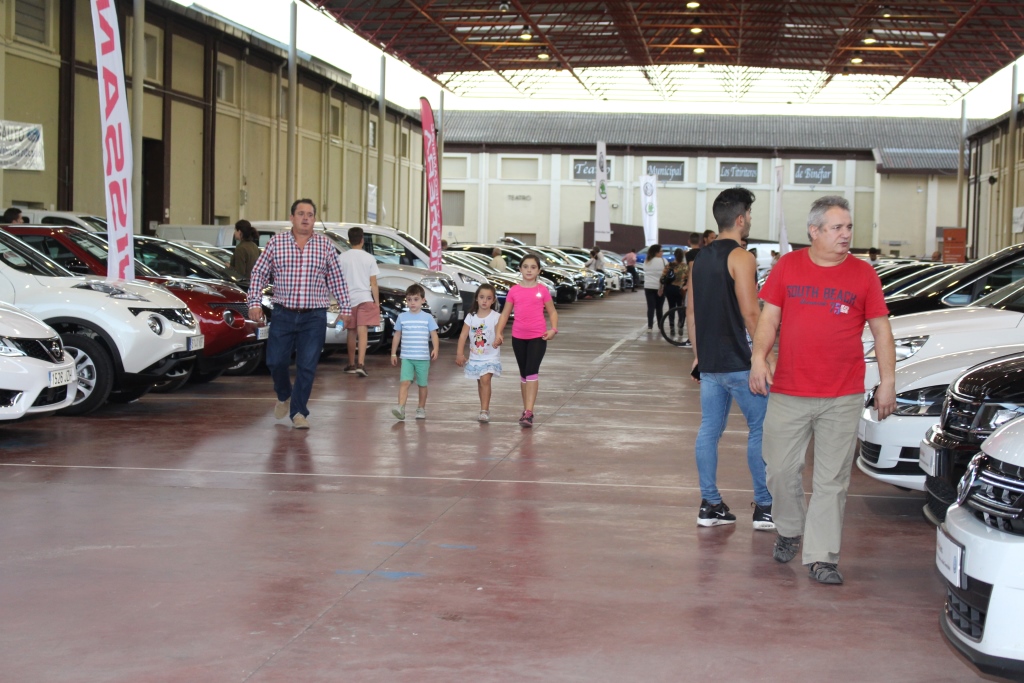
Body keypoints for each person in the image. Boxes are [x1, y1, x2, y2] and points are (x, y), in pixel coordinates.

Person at [749, 195, 895, 586]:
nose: (846, 234)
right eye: (837, 227)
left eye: (848, 227)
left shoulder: (863, 274)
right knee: (779, 470)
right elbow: (770, 317)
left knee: (832, 481)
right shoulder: (789, 266)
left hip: (842, 394)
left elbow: (882, 330)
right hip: (790, 390)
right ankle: (790, 529)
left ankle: (823, 556)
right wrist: (758, 358)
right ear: (813, 231)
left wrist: (887, 383)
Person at [684, 188, 774, 530]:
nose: (750, 219)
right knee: (759, 431)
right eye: (749, 214)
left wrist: (698, 357)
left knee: (709, 431)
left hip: (710, 365)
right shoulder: (742, 258)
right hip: (740, 362)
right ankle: (765, 507)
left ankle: (710, 504)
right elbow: (752, 314)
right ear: (740, 219)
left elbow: (692, 313)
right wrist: (765, 358)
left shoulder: (698, 260)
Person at [247, 198, 350, 430]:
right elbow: (259, 274)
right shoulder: (276, 243)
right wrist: (254, 303)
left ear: (314, 219)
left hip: (314, 317)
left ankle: (299, 412)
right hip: (283, 314)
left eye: (310, 214)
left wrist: (346, 308)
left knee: (307, 365)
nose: (306, 218)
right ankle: (284, 394)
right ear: (292, 218)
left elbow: (337, 279)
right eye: (301, 213)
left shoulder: (324, 246)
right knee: (275, 361)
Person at [494, 254, 558, 428]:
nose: (529, 270)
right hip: (518, 338)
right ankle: (526, 411)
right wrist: (499, 332)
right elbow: (505, 313)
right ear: (520, 269)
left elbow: (552, 311)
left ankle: (529, 412)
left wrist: (553, 329)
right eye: (526, 267)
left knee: (531, 371)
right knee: (523, 375)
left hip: (538, 336)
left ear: (538, 270)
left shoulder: (542, 290)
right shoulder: (514, 290)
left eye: (533, 267)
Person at [391, 283, 439, 421]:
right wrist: (393, 353)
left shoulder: (427, 318)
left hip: (423, 358)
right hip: (406, 357)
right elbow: (397, 335)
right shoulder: (402, 317)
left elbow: (434, 334)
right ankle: (400, 407)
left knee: (422, 384)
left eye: (416, 299)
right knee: (404, 382)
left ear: (423, 300)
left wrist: (435, 348)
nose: (412, 303)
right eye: (410, 299)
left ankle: (421, 408)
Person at [455, 284, 502, 422]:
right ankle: (483, 407)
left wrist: (498, 340)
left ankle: (484, 410)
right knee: (480, 383)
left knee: (485, 380)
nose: (484, 301)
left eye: (488, 298)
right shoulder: (471, 317)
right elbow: (463, 336)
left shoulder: (496, 317)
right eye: (482, 297)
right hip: (476, 357)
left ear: (493, 300)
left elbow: (499, 333)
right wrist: (459, 354)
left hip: (491, 356)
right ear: (476, 298)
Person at [338, 226, 381, 377]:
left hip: (348, 301)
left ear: (349, 240)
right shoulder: (369, 258)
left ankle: (350, 364)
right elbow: (373, 283)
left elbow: (339, 282)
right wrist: (377, 303)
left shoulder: (342, 258)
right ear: (362, 240)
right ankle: (361, 364)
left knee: (351, 332)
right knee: (363, 332)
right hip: (365, 299)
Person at [662, 248, 687, 342]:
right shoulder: (685, 266)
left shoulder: (669, 265)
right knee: (681, 307)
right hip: (681, 289)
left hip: (670, 289)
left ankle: (672, 327)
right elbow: (688, 278)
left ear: (674, 255)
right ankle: (681, 324)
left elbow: (663, 277)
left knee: (671, 307)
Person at [643, 244, 666, 330]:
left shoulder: (647, 261)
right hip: (660, 287)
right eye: (661, 251)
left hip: (648, 286)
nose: (662, 253)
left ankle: (650, 325)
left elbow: (645, 270)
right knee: (659, 307)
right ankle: (660, 325)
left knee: (650, 307)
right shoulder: (664, 261)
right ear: (657, 252)